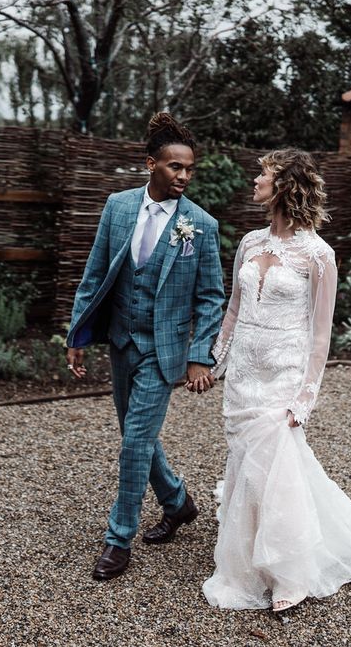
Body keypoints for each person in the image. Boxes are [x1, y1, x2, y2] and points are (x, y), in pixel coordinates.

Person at [65, 112, 225, 580]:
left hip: (164, 351)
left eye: (190, 169)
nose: (184, 176)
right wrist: (77, 335)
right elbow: (95, 273)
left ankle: (118, 541)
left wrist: (199, 356)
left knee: (134, 443)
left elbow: (212, 297)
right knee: (138, 437)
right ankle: (177, 503)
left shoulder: (201, 225)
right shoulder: (117, 206)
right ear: (150, 163)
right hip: (121, 342)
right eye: (176, 167)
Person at [202, 149, 351, 612]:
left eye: (263, 175)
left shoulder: (319, 254)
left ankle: (290, 568)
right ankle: (251, 556)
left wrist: (305, 396)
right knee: (248, 464)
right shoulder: (250, 244)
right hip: (244, 374)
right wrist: (213, 365)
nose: (255, 181)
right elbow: (233, 311)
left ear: (285, 186)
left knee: (278, 467)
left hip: (284, 373)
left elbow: (321, 333)